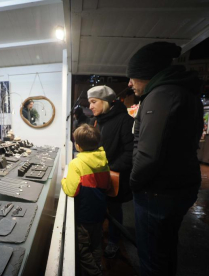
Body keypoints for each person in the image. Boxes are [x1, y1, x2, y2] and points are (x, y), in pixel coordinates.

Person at [127, 42, 203, 275]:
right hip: (177, 187)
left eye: (132, 77)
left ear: (146, 74)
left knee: (151, 258)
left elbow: (148, 154)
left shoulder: (160, 96)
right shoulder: (183, 92)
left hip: (157, 192)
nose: (129, 83)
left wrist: (133, 183)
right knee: (165, 252)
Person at [87, 85, 134, 258]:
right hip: (97, 176)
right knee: (99, 208)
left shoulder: (125, 121)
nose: (90, 106)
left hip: (115, 176)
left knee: (114, 211)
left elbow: (130, 153)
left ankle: (114, 241)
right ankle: (98, 238)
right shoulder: (97, 121)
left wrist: (109, 168)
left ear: (105, 102)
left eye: (93, 102)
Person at [62, 124, 111, 276]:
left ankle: (95, 273)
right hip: (99, 212)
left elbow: (71, 190)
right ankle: (98, 266)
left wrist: (64, 180)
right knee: (96, 244)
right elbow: (107, 184)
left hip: (84, 215)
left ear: (78, 145)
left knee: (82, 248)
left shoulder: (77, 163)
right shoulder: (103, 161)